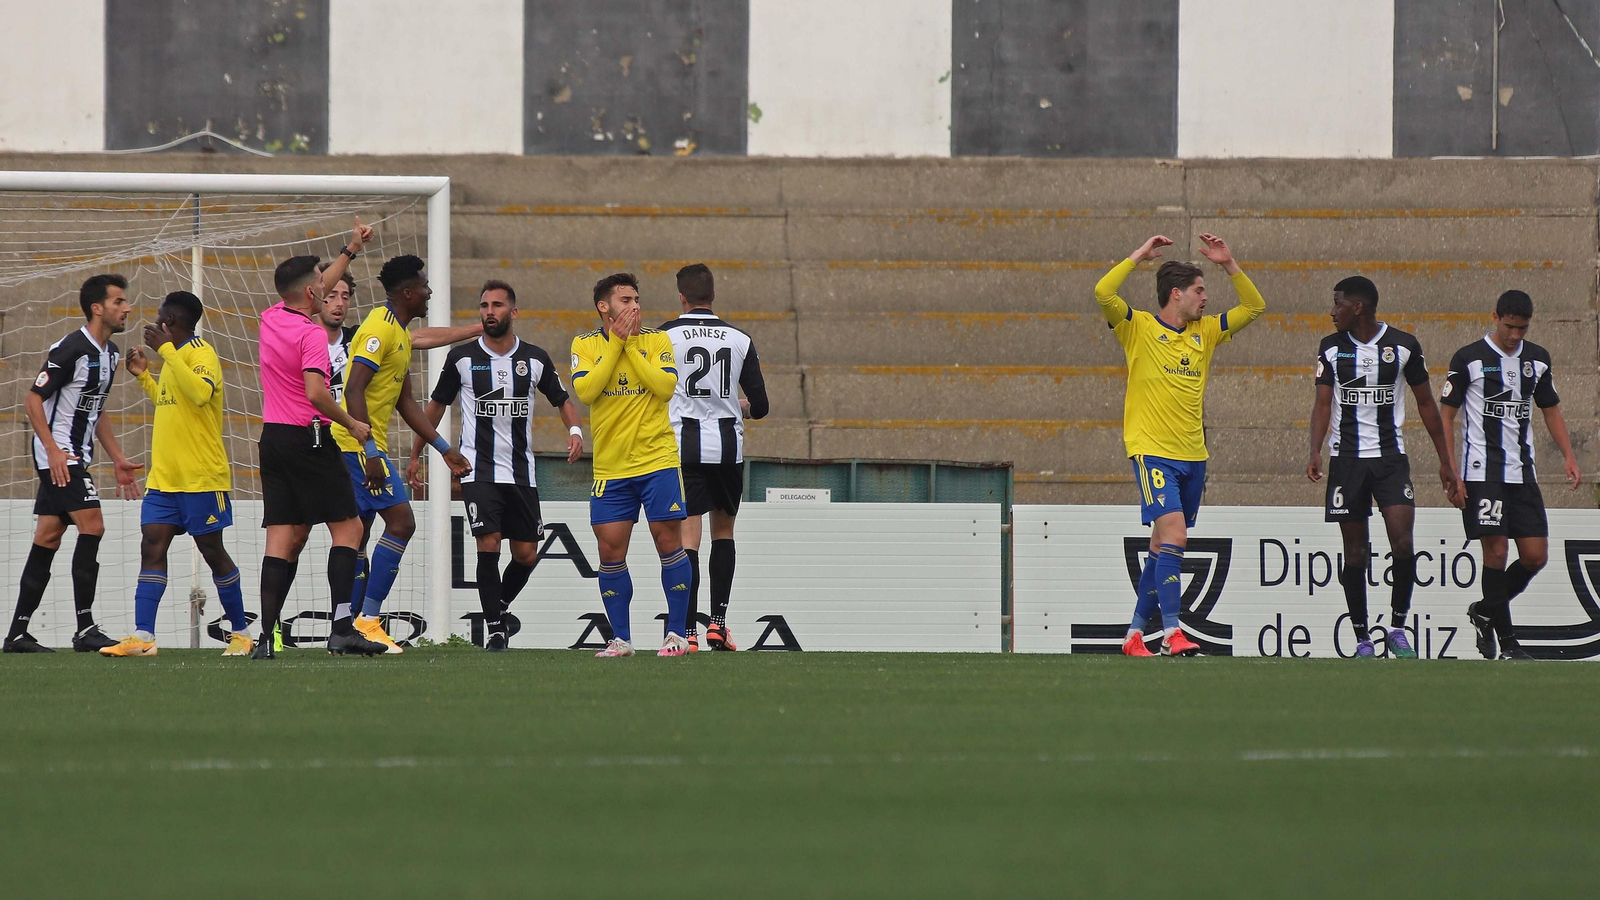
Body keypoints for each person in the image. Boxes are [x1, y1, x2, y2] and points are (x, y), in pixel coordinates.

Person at [1098, 235, 1266, 658]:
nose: (1206, 298)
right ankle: (1172, 632)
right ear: (1177, 294)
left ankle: (1134, 635)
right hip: (1152, 451)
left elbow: (1254, 308)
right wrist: (1137, 256)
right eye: (1200, 290)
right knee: (1175, 533)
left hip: (1194, 456)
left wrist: (1230, 264)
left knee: (1161, 549)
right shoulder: (1136, 327)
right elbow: (1103, 291)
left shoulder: (1204, 333)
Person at [410, 280, 583, 651]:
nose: (490, 311)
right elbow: (435, 407)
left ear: (513, 312)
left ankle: (499, 606)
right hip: (478, 470)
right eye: (485, 305)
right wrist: (416, 453)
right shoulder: (461, 358)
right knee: (487, 545)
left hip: (521, 472)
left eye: (498, 305)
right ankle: (495, 629)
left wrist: (575, 430)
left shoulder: (534, 358)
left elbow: (562, 399)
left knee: (526, 555)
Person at [1307, 276, 1461, 659]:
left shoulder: (1403, 346)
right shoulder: (1331, 347)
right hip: (1346, 461)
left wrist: (1445, 461)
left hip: (1390, 460)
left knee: (1403, 543)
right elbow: (1323, 404)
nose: (1332, 311)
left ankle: (1396, 628)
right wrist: (1314, 450)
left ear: (1358, 307)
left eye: (1338, 302)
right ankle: (1362, 639)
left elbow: (1427, 404)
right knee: (1355, 552)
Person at [252, 221, 385, 659]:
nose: (326, 290)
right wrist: (352, 423)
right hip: (310, 437)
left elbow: (312, 285)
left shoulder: (270, 319)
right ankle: (342, 627)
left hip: (272, 439)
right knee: (350, 527)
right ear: (311, 294)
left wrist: (349, 249)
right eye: (321, 287)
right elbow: (314, 392)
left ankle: (264, 640)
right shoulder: (311, 334)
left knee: (280, 537)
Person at [329, 255, 471, 653]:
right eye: (424, 287)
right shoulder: (378, 329)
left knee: (359, 538)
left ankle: (349, 630)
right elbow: (353, 390)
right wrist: (371, 452)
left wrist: (443, 450)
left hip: (362, 448)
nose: (429, 293)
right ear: (408, 293)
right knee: (402, 522)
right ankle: (367, 620)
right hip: (355, 448)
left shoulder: (400, 334)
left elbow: (406, 401)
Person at [102, 291, 253, 657]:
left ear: (171, 322)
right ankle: (143, 637)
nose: (153, 323)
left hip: (201, 478)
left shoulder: (201, 354)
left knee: (212, 551)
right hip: (165, 480)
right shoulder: (172, 360)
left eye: (159, 317)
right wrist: (144, 378)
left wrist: (166, 352)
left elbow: (201, 394)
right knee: (151, 546)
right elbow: (172, 403)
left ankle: (242, 633)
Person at [1440, 290, 1582, 660]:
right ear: (1495, 318)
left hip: (1523, 471)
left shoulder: (1536, 360)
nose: (1515, 335)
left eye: (1522, 328)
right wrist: (1450, 467)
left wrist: (1568, 455)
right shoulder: (1469, 359)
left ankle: (1484, 612)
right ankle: (1509, 644)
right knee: (1497, 551)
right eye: (1509, 327)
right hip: (1481, 472)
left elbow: (1550, 409)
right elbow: (1446, 414)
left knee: (1535, 556)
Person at [4, 274, 142, 653]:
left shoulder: (111, 354)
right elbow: (33, 400)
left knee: (48, 535)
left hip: (75, 454)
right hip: (60, 455)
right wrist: (51, 450)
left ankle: (17, 633)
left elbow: (97, 411)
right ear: (97, 308)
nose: (126, 307)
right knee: (93, 526)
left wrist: (117, 460)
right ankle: (85, 628)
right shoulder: (70, 349)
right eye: (118, 302)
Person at [571, 273, 693, 658]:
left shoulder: (657, 340)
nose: (635, 306)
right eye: (625, 299)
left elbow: (664, 387)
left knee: (669, 543)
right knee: (610, 552)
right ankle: (620, 638)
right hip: (611, 469)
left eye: (637, 298)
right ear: (604, 307)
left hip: (658, 461)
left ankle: (676, 636)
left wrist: (632, 349)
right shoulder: (585, 344)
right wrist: (616, 344)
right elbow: (587, 392)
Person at [661, 263, 769, 651]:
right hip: (727, 450)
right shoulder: (739, 338)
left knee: (687, 539)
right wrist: (735, 405)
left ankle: (687, 629)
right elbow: (762, 405)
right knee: (723, 533)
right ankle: (718, 624)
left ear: (681, 298)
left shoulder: (664, 335)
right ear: (713, 297)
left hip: (682, 448)